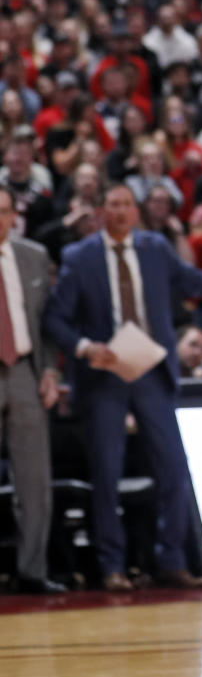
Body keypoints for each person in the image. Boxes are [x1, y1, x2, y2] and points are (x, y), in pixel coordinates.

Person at [43, 184, 202, 591]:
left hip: (152, 370)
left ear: (136, 212)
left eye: (126, 205)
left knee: (173, 468)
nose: (119, 211)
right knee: (106, 471)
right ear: (101, 212)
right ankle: (112, 565)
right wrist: (84, 347)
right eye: (112, 205)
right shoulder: (79, 257)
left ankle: (171, 560)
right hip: (105, 374)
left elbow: (197, 282)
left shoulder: (155, 248)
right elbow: (55, 320)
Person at [0, 185, 63, 593]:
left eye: (3, 211)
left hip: (24, 369)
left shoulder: (33, 256)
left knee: (34, 479)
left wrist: (51, 372)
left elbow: (50, 322)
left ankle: (32, 570)